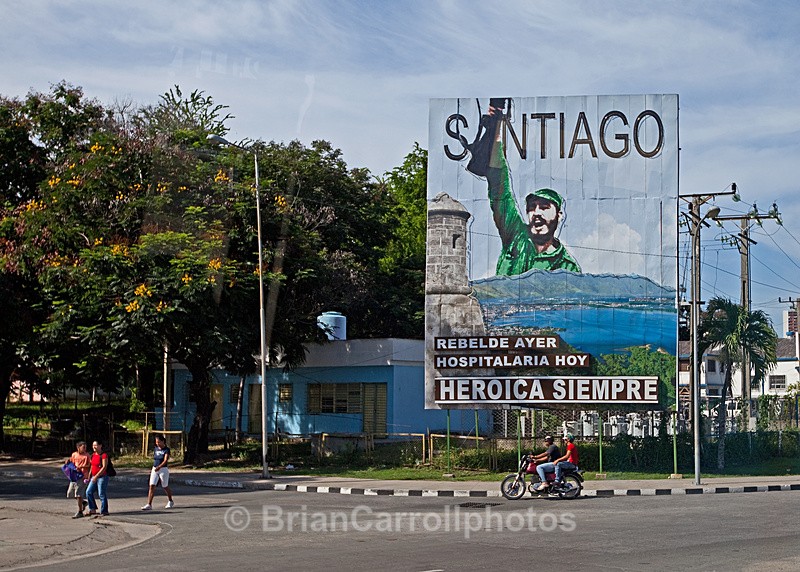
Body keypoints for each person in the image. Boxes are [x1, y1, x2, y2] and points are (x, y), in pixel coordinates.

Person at [466, 99, 581, 276]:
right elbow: (499, 186)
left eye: (544, 207)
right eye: (531, 208)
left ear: (559, 216)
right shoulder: (515, 235)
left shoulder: (567, 267)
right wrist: (495, 128)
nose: (536, 213)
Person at [141, 434, 175, 510]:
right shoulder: (156, 448)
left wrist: (159, 467)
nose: (157, 444)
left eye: (159, 442)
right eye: (156, 442)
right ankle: (149, 504)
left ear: (163, 441)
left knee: (164, 486)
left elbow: (165, 460)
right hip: (155, 469)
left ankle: (170, 500)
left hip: (163, 469)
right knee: (152, 485)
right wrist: (155, 467)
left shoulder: (166, 450)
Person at [66, 441, 91, 518]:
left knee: (78, 494)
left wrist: (82, 467)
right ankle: (83, 502)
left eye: (85, 447)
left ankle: (80, 511)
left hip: (82, 476)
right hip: (74, 476)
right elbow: (71, 463)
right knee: (70, 493)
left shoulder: (87, 455)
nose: (84, 449)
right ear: (78, 447)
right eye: (83, 447)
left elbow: (90, 465)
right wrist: (68, 462)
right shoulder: (74, 454)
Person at [85, 440, 109, 517]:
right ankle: (92, 509)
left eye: (95, 445)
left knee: (101, 494)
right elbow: (92, 466)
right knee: (88, 492)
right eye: (93, 445)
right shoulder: (93, 455)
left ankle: (104, 511)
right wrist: (89, 476)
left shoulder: (104, 455)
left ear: (100, 446)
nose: (94, 447)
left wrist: (97, 476)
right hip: (94, 477)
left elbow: (104, 467)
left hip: (102, 477)